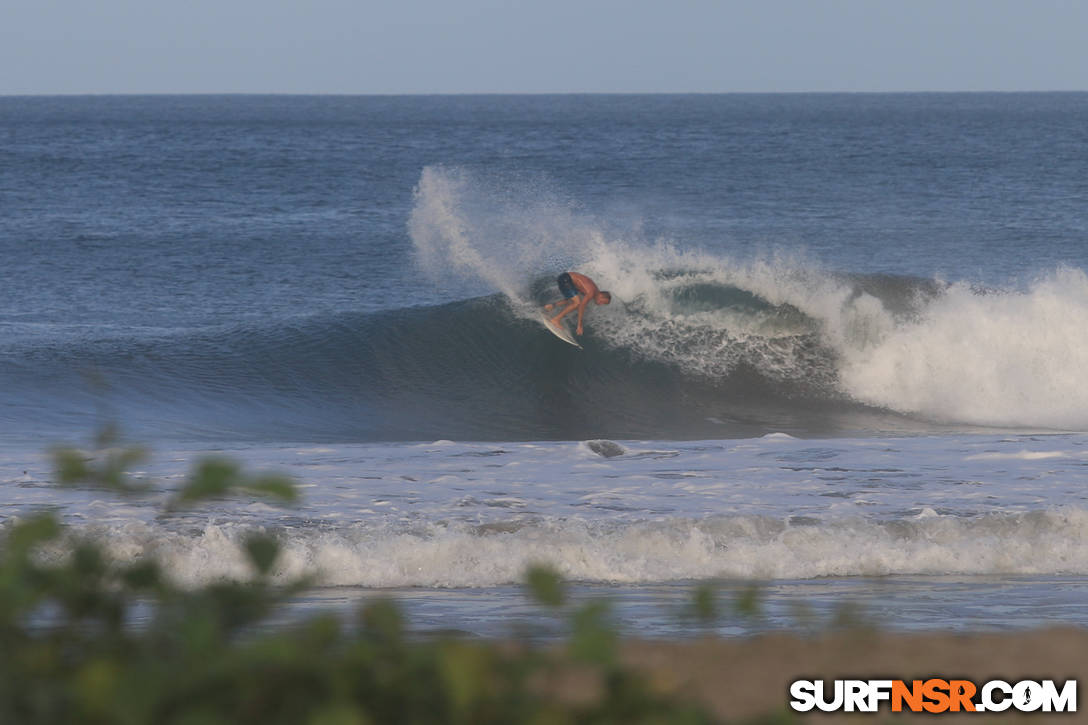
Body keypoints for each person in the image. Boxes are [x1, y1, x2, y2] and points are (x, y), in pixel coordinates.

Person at [543, 272, 611, 336]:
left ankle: (551, 306)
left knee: (573, 301)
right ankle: (556, 319)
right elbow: (581, 306)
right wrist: (580, 325)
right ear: (601, 295)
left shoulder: (593, 290)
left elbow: (573, 297)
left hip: (565, 278)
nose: (601, 304)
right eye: (603, 302)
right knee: (577, 303)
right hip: (566, 279)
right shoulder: (592, 292)